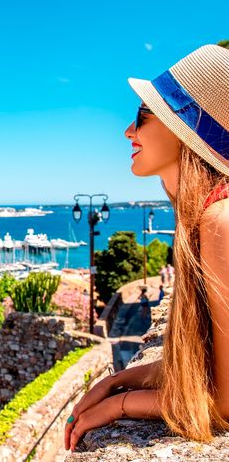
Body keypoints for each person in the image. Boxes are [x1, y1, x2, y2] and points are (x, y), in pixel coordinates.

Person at [65, 44, 229, 452]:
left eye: (142, 116)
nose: (128, 131)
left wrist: (121, 405)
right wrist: (119, 378)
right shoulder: (209, 216)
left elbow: (224, 403)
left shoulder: (220, 222)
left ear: (184, 127)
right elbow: (209, 371)